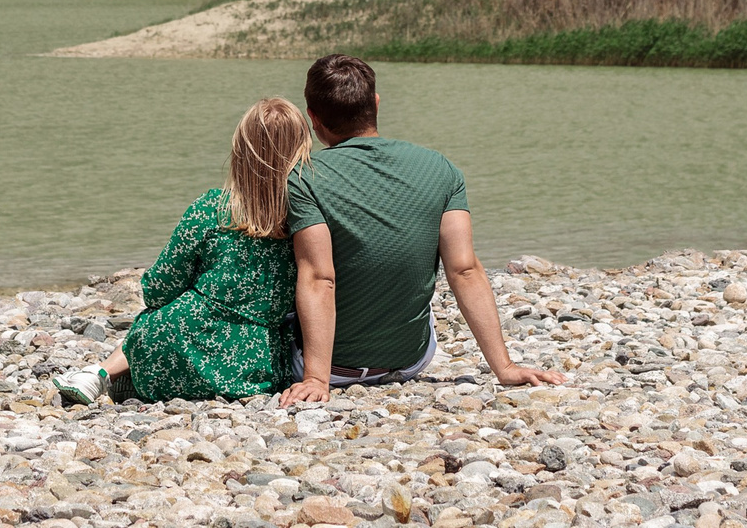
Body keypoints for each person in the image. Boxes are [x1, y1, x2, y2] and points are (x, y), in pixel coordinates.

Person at [279, 54, 565, 403]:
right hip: (411, 361)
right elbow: (464, 269)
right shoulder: (441, 169)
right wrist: (504, 367)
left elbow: (319, 278)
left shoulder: (304, 177)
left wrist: (316, 380)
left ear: (313, 117)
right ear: (377, 104)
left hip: (334, 369)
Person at [55, 97, 313, 404]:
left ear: (241, 152)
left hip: (173, 346)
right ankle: (119, 381)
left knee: (154, 319)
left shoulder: (211, 209)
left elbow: (157, 289)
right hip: (255, 369)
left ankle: (102, 376)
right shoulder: (306, 221)